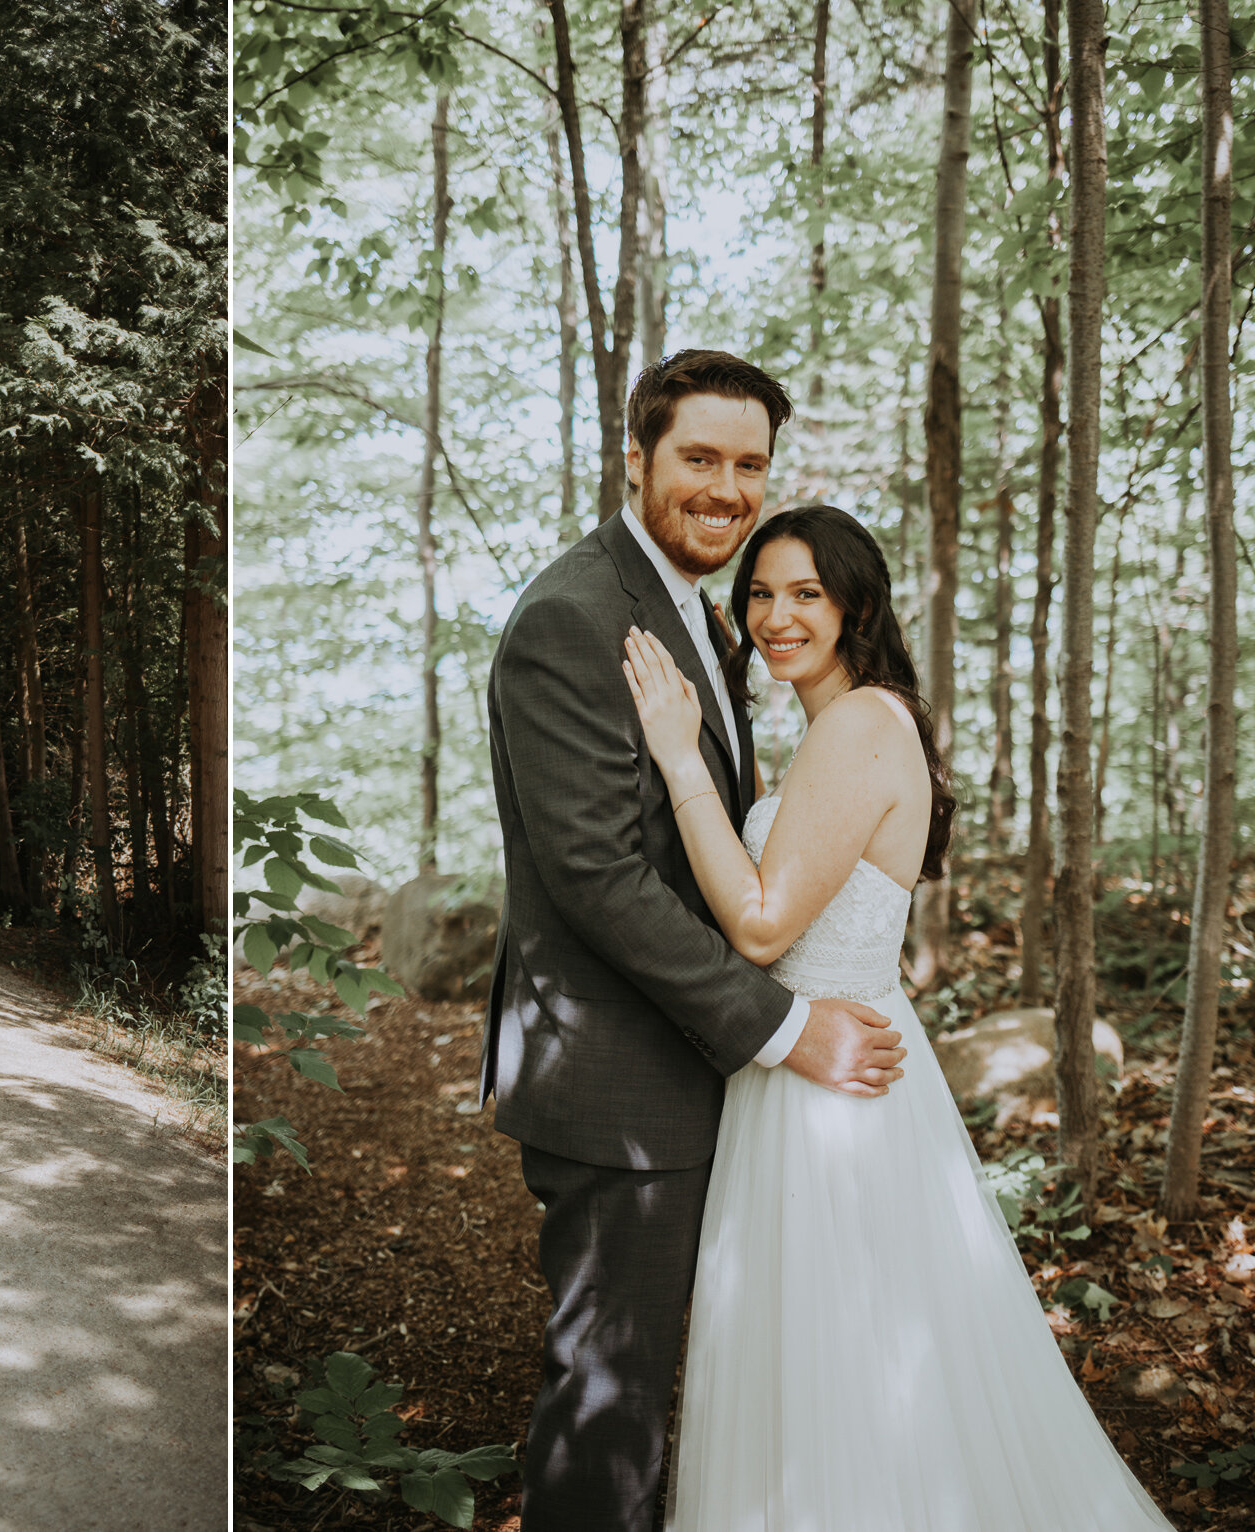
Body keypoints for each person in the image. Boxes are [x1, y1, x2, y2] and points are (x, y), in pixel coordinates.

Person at [623, 505, 1170, 1529]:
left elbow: (756, 921)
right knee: (821, 1355)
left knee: (846, 1359)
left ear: (855, 606)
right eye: (757, 592)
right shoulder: (845, 724)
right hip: (802, 1062)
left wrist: (676, 756)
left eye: (804, 593)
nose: (774, 615)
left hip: (833, 1086)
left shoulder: (860, 724)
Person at [475, 351, 908, 1529]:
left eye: (747, 464)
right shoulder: (574, 615)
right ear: (636, 458)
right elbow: (597, 876)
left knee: (713, 1380)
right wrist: (780, 1025)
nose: (725, 487)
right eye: (698, 458)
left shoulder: (701, 618)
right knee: (609, 1394)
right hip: (618, 1081)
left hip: (701, 1074)